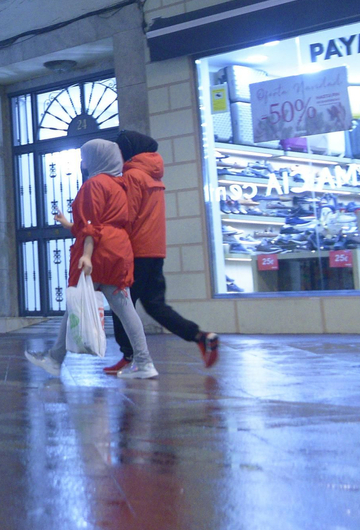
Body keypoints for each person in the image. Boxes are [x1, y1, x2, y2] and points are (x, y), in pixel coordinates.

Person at [26, 139, 158, 380]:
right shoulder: (119, 185)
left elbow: (90, 227)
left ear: (96, 159)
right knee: (125, 309)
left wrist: (86, 256)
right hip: (118, 249)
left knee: (77, 304)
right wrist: (69, 224)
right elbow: (102, 222)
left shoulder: (93, 184)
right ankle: (145, 362)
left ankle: (55, 360)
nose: (82, 162)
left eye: (85, 156)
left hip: (98, 251)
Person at [108, 129, 219, 372]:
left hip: (136, 251)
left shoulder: (133, 176)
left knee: (120, 305)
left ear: (127, 150)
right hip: (155, 251)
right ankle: (201, 337)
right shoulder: (153, 174)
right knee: (155, 305)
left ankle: (130, 358)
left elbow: (128, 216)